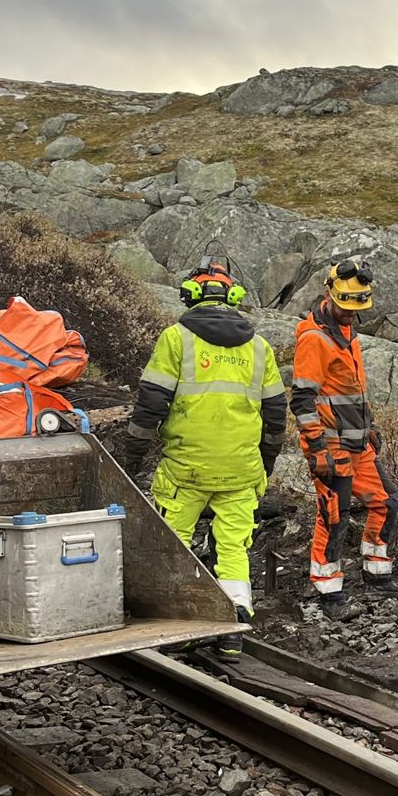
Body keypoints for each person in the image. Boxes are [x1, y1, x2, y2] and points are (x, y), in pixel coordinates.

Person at [117, 262, 286, 651]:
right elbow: (276, 414)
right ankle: (233, 629)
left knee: (173, 543)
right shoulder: (259, 347)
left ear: (191, 295)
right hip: (241, 470)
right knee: (233, 548)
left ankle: (175, 628)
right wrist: (265, 463)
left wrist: (133, 457)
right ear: (233, 297)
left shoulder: (176, 339)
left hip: (186, 470)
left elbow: (150, 405)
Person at [292, 258, 398, 612]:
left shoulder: (347, 333)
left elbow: (352, 391)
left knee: (386, 502)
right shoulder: (315, 340)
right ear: (330, 295)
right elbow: (303, 400)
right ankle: (329, 591)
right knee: (333, 515)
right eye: (346, 307)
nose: (351, 314)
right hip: (331, 446)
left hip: (358, 442)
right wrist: (316, 448)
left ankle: (377, 574)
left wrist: (371, 426)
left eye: (356, 308)